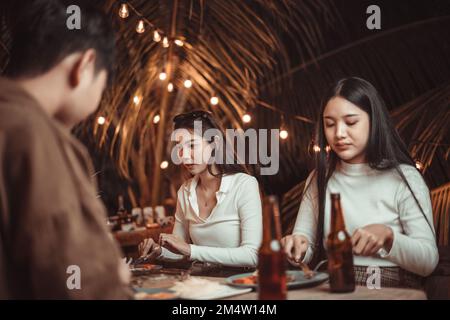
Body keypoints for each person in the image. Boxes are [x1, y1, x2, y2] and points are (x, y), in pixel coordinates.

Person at [0, 0, 130, 298]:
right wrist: (113, 272)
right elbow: (84, 285)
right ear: (84, 65)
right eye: (102, 84)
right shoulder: (36, 136)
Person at [281, 77, 438, 288]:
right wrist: (295, 246)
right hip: (334, 285)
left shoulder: (405, 178)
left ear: (374, 121)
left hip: (392, 289)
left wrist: (389, 237)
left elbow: (428, 261)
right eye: (329, 124)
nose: (339, 134)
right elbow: (305, 245)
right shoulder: (320, 178)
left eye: (351, 122)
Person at [139, 110, 262, 268]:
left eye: (192, 145)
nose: (184, 156)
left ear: (215, 143)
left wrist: (191, 250)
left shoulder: (244, 185)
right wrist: (159, 251)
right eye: (179, 147)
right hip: (203, 283)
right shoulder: (185, 191)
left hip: (241, 282)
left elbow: (252, 255)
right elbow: (179, 248)